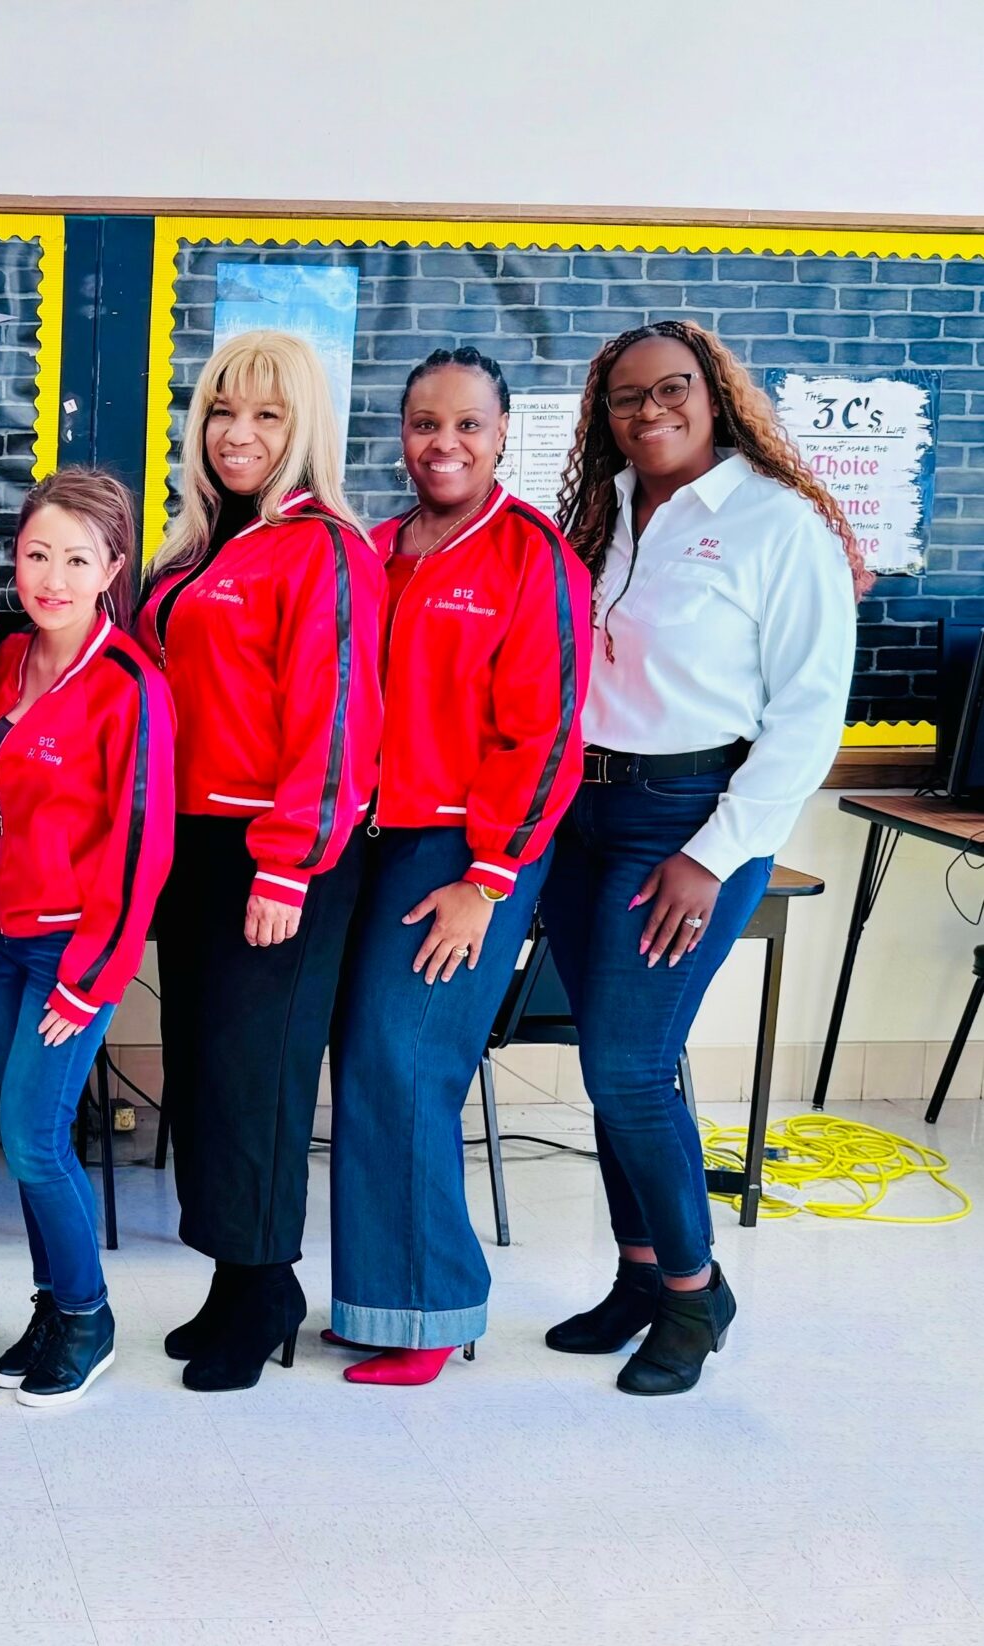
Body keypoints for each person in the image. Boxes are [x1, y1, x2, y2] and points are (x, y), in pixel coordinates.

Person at [542, 319, 861, 1395]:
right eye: (626, 397)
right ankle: (639, 1275)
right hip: (586, 812)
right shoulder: (610, 510)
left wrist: (715, 854)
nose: (650, 411)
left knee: (628, 1068)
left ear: (715, 395)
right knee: (613, 1060)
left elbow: (810, 718)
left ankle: (692, 1291)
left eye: (671, 389)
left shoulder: (780, 525)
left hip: (687, 816)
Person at [326, 349, 590, 1386]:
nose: (444, 443)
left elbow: (550, 733)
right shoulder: (379, 546)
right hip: (377, 845)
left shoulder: (533, 557)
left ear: (501, 433)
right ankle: (380, 1298)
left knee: (407, 1062)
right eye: (425, 422)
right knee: (370, 1062)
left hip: (469, 852)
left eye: (468, 425)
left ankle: (432, 1308)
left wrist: (487, 882)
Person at [136, 328, 382, 1393]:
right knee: (202, 1071)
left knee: (259, 1077)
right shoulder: (197, 548)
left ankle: (268, 1279)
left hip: (273, 852)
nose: (238, 434)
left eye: (267, 415)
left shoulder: (325, 548)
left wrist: (286, 865)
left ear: (304, 429)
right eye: (223, 411)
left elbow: (336, 724)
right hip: (186, 846)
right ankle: (235, 1280)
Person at [0, 468, 175, 1407]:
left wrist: (91, 981)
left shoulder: (131, 685)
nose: (51, 577)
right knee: (20, 1142)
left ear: (112, 569)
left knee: (35, 1137)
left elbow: (141, 852)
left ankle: (88, 1317)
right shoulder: (10, 657)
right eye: (37, 554)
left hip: (70, 952)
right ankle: (53, 1305)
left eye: (76, 560)